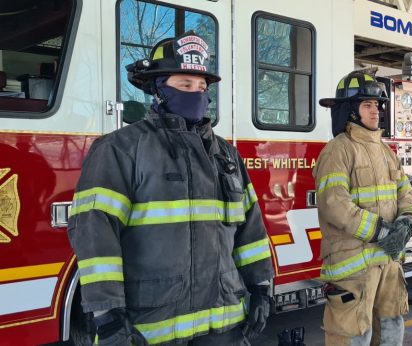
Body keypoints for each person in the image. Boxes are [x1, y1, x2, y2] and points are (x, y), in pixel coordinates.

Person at [67, 31, 273, 345]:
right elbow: (96, 234)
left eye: (202, 86)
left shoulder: (225, 155)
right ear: (159, 89)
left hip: (224, 322)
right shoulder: (121, 149)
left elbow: (251, 232)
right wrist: (107, 312)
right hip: (150, 326)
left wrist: (261, 288)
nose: (196, 93)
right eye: (184, 84)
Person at [314, 71, 412, 345]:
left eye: (378, 105)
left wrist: (407, 221)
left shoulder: (386, 152)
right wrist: (381, 232)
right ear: (350, 111)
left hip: (389, 265)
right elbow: (334, 204)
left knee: (391, 328)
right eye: (367, 105)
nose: (376, 111)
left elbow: (404, 193)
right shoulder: (338, 150)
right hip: (353, 270)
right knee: (353, 335)